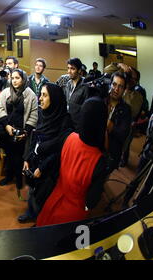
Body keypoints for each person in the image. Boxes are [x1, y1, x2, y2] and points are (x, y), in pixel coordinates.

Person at [36, 97, 111, 226]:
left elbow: (43, 149)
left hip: (55, 197)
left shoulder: (69, 136)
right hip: (75, 212)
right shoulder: (100, 160)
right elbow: (91, 201)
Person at [18, 84, 73, 223]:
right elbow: (35, 136)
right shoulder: (43, 113)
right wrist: (27, 158)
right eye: (40, 94)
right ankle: (31, 213)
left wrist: (42, 168)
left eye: (44, 95)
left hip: (50, 168)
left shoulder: (65, 121)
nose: (40, 99)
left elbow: (60, 150)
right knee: (32, 191)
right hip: (36, 161)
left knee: (43, 198)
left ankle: (40, 222)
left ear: (54, 98)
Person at [0, 69, 38, 199]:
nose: (14, 80)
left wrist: (26, 131)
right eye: (12, 78)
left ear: (23, 79)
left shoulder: (30, 94)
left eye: (17, 78)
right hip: (6, 129)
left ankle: (19, 178)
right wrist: (7, 126)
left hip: (22, 131)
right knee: (8, 154)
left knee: (19, 156)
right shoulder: (5, 92)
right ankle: (8, 176)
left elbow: (34, 115)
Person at [105, 72, 132, 172]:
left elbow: (123, 133)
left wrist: (109, 126)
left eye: (120, 87)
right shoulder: (101, 101)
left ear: (124, 90)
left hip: (111, 154)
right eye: (114, 84)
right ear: (110, 84)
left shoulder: (126, 109)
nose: (116, 89)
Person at [63, 58, 90, 129]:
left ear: (79, 70)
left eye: (72, 69)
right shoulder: (68, 84)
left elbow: (86, 110)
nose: (69, 71)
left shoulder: (85, 85)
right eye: (68, 68)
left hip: (78, 126)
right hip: (67, 123)